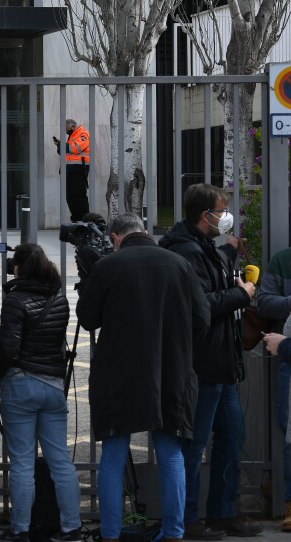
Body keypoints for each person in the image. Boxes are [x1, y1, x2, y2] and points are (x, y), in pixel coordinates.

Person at [78, 214, 210, 542]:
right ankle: (174, 532)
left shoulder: (108, 266)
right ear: (144, 232)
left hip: (118, 373)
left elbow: (87, 319)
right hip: (171, 370)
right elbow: (202, 318)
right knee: (171, 453)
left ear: (115, 237)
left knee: (113, 454)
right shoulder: (179, 264)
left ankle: (110, 534)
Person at [159, 183, 261, 539]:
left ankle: (222, 512)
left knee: (232, 434)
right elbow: (202, 305)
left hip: (221, 362)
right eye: (222, 211)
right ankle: (188, 519)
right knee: (194, 442)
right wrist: (241, 294)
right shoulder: (187, 250)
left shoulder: (201, 245)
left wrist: (229, 258)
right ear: (206, 215)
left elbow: (211, 285)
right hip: (202, 363)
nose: (226, 217)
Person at [0, 243, 81, 542]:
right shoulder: (59, 298)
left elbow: (8, 347)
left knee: (22, 463)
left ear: (19, 268)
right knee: (60, 461)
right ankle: (71, 527)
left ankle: (20, 529)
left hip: (21, 383)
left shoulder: (15, 299)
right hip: (53, 384)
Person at [256, 247, 291, 530]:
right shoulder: (284, 260)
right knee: (290, 432)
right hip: (288, 360)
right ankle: (290, 505)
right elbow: (265, 302)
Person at [52, 119, 90, 221]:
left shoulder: (83, 134)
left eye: (67, 130)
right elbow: (66, 152)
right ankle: (76, 220)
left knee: (79, 196)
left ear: (73, 126)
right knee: (70, 197)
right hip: (69, 170)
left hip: (79, 169)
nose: (66, 132)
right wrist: (59, 145)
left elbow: (76, 149)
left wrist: (63, 146)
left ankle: (84, 221)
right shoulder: (72, 136)